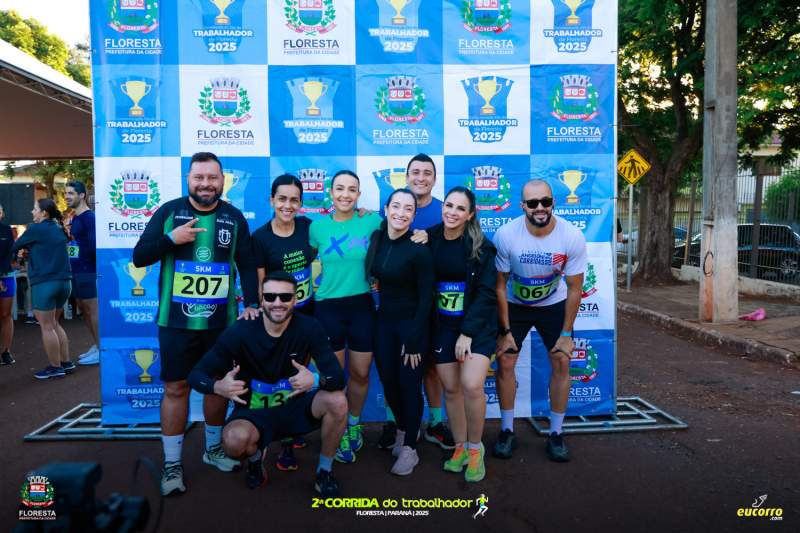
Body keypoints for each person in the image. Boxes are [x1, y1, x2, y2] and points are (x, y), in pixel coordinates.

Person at [132, 152, 260, 496]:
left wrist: (252, 303)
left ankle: (213, 449)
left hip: (220, 325)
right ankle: (172, 463)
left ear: (222, 181)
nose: (206, 184)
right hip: (175, 323)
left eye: (212, 177)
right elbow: (139, 256)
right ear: (188, 179)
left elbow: (247, 264)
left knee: (218, 386)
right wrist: (170, 240)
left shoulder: (233, 217)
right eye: (199, 177)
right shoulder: (169, 213)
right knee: (176, 389)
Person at [187, 271, 347, 496]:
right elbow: (196, 375)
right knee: (233, 442)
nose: (277, 303)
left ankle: (324, 471)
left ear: (295, 299)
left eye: (285, 297)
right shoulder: (241, 330)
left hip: (294, 408)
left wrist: (315, 378)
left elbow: (337, 378)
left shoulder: (310, 327)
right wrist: (217, 387)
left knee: (337, 400)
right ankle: (255, 460)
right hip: (253, 413)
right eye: (270, 297)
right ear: (262, 300)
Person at [493, 179, 587, 462]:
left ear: (553, 202)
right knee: (506, 360)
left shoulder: (571, 236)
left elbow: (575, 288)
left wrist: (566, 334)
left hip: (553, 304)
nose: (540, 208)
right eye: (533, 203)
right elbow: (500, 285)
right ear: (522, 206)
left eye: (545, 201)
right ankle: (507, 430)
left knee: (561, 361)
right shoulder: (506, 234)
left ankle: (556, 433)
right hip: (515, 304)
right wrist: (505, 330)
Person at [377, 154, 454, 452]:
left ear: (434, 178)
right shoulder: (392, 209)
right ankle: (394, 423)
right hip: (397, 305)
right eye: (415, 172)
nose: (421, 177)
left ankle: (434, 422)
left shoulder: (444, 210)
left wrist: (430, 239)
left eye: (427, 173)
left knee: (429, 366)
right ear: (407, 176)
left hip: (436, 303)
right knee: (392, 370)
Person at [308, 170, 382, 464]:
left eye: (352, 189)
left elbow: (399, 230)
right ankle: (336, 428)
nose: (345, 194)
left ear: (359, 195)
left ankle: (353, 424)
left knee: (361, 373)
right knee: (335, 377)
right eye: (340, 188)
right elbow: (299, 259)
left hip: (362, 305)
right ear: (331, 192)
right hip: (328, 307)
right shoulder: (316, 227)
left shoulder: (372, 221)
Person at [428, 187, 497, 482]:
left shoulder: (482, 247)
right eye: (449, 205)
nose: (452, 212)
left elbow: (486, 293)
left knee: (471, 384)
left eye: (460, 208)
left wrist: (467, 332)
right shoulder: (429, 238)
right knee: (451, 389)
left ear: (470, 215)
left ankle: (475, 448)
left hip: (476, 327)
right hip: (443, 326)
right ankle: (459, 447)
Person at [366, 188, 434, 475]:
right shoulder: (377, 237)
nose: (401, 213)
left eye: (408, 209)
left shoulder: (419, 249)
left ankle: (410, 449)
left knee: (408, 384)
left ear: (414, 216)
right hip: (383, 323)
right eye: (396, 206)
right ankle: (404, 430)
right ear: (386, 209)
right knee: (389, 382)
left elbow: (427, 298)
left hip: (412, 325)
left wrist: (415, 338)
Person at [251, 174, 315, 470]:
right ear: (271, 200)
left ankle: (294, 432)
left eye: (294, 200)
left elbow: (340, 227)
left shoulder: (308, 227)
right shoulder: (260, 238)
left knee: (301, 375)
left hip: (308, 314)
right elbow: (260, 284)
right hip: (278, 319)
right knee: (280, 376)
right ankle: (279, 443)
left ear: (301, 203)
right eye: (282, 199)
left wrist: (362, 212)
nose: (288, 205)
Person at [11, 199, 73, 379]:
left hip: (45, 282)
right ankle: (66, 363)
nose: (32, 212)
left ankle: (55, 367)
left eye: (35, 209)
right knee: (54, 323)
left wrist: (25, 250)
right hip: (65, 282)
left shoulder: (36, 229)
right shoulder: (59, 228)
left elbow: (14, 246)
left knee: (46, 326)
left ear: (44, 213)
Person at [64, 181, 100, 366]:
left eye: (71, 193)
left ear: (82, 195)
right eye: (66, 193)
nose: (67, 196)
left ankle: (101, 349)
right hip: (78, 270)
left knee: (92, 310)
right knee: (84, 309)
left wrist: (89, 266)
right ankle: (96, 344)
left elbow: (95, 246)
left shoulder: (89, 217)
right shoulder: (76, 217)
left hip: (89, 270)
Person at [0, 203, 17, 365]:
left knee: (6, 315)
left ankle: (6, 351)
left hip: (6, 276)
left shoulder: (7, 230)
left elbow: (10, 253)